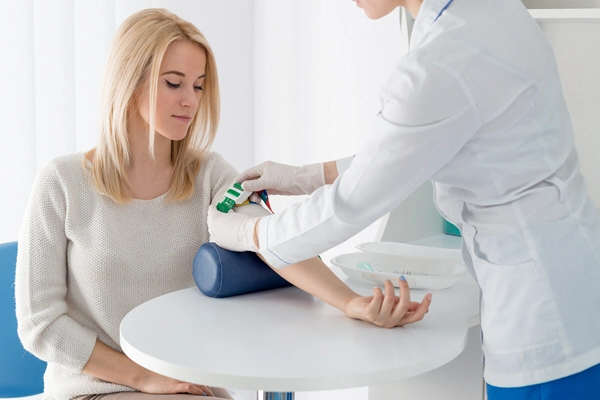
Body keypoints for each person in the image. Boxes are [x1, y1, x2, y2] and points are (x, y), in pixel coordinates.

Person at [15, 8, 432, 400]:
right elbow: (41, 325)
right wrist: (145, 377)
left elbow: (272, 243)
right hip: (98, 387)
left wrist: (350, 303)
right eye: (173, 83)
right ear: (131, 81)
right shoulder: (63, 183)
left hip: (192, 386)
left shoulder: (210, 176)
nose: (191, 101)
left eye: (198, 86)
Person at [207, 0, 600, 399]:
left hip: (544, 321)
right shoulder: (490, 12)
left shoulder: (442, 60)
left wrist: (250, 231)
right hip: (576, 277)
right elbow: (423, 146)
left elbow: (352, 205)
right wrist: (306, 176)